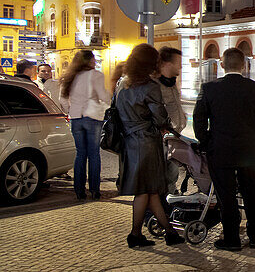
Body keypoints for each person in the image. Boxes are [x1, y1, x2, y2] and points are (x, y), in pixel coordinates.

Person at [193, 48, 255, 251]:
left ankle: (231, 239)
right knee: (252, 194)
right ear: (244, 65)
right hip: (249, 150)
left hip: (220, 150)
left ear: (222, 65)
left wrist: (207, 142)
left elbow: (199, 121)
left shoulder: (209, 89)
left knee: (226, 196)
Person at [115, 43, 182, 248]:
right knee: (145, 191)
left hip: (129, 141)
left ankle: (169, 232)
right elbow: (160, 117)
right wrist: (170, 128)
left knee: (151, 190)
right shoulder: (150, 87)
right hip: (147, 142)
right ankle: (135, 235)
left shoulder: (122, 84)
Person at [60, 50, 109, 200]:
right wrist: (108, 102)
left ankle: (79, 190)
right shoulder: (95, 75)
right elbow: (103, 96)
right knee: (94, 154)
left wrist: (70, 110)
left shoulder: (70, 77)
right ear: (89, 61)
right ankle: (94, 189)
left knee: (80, 154)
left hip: (75, 118)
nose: (95, 62)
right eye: (93, 60)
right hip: (92, 117)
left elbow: (62, 99)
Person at [157, 47, 186, 194]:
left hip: (174, 136)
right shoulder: (156, 85)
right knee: (162, 176)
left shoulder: (172, 83)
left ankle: (169, 201)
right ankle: (162, 207)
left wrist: (182, 118)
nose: (181, 66)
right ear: (167, 64)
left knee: (173, 175)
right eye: (178, 62)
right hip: (161, 138)